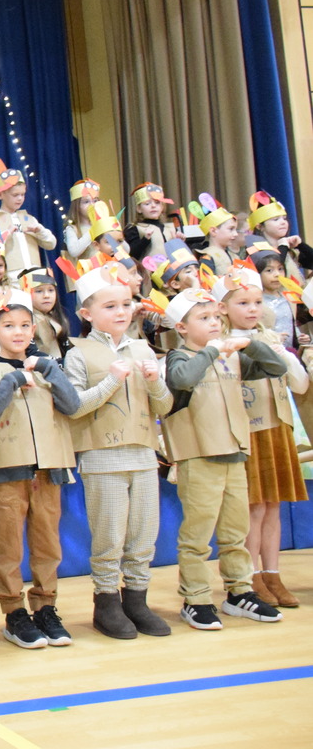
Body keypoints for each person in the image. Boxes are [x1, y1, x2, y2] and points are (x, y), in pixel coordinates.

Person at [60, 256, 175, 640]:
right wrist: (111, 381)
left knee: (143, 533)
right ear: (87, 313)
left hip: (143, 453)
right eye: (109, 306)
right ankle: (106, 602)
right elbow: (75, 406)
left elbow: (164, 407)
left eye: (126, 304)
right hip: (101, 457)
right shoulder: (78, 353)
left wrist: (157, 381)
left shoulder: (142, 349)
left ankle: (137, 600)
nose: (121, 312)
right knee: (109, 535)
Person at [162, 276, 286, 629]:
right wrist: (214, 350)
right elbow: (183, 379)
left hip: (234, 452)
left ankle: (239, 591)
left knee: (235, 532)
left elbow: (274, 368)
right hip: (199, 455)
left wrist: (249, 343)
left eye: (216, 317)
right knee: (197, 535)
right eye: (204, 319)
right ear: (182, 327)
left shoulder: (230, 357)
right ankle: (196, 597)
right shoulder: (177, 357)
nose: (215, 323)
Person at [0, 291, 83, 649]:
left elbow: (73, 405)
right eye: (8, 326)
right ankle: (14, 610)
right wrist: (11, 382)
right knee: (8, 543)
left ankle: (46, 606)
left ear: (33, 330)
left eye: (23, 326)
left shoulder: (49, 365)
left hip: (49, 468)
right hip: (8, 468)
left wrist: (50, 370)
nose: (17, 332)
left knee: (48, 540)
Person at [216, 253, 309, 610]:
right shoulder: (221, 345)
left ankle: (273, 573)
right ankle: (249, 576)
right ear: (224, 309)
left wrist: (283, 354)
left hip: (276, 430)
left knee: (272, 507)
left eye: (257, 302)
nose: (252, 309)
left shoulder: (271, 338)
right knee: (252, 510)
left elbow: (299, 387)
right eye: (243, 303)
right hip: (246, 433)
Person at [0, 161, 56, 279]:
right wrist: (5, 235)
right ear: (0, 195)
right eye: (15, 195)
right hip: (11, 279)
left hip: (35, 277)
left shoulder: (29, 219)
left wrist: (40, 231)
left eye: (23, 194)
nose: (20, 199)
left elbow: (51, 243)